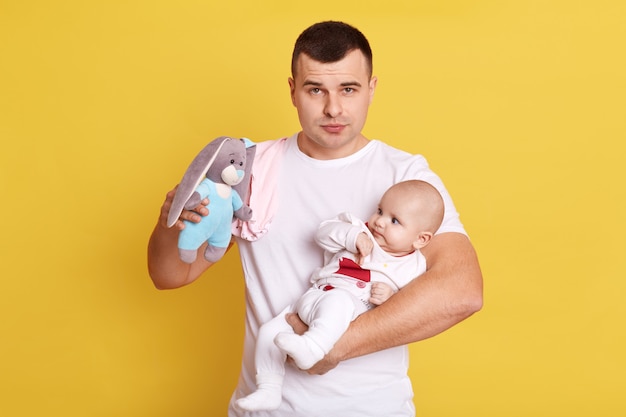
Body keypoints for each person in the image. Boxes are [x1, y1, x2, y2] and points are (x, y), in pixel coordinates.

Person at [148, 20, 483, 417]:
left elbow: (463, 290)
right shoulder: (251, 168)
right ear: (292, 91)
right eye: (315, 90)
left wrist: (335, 345)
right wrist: (173, 221)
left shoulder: (406, 176)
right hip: (264, 409)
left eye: (349, 89)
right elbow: (169, 275)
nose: (333, 108)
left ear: (371, 89)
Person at [236, 180, 445, 412]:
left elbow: (409, 305)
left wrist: (391, 295)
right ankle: (268, 388)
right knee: (268, 333)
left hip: (347, 306)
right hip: (312, 296)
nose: (380, 222)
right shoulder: (359, 228)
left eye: (394, 221)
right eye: (380, 210)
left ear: (421, 239)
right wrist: (352, 236)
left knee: (338, 303)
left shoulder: (412, 266)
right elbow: (322, 234)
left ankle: (313, 346)